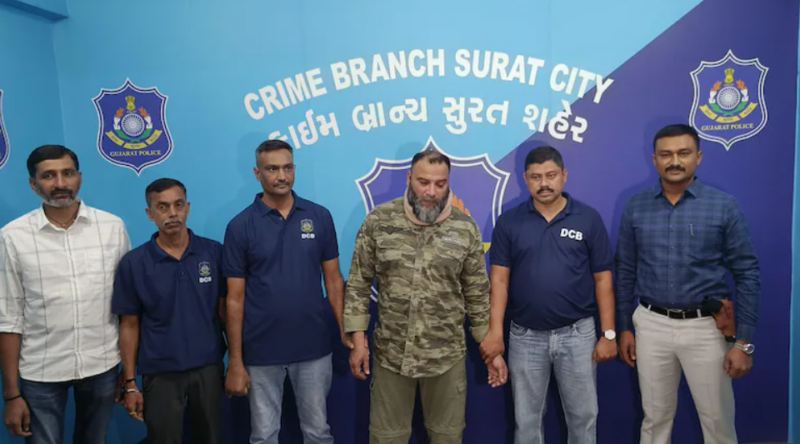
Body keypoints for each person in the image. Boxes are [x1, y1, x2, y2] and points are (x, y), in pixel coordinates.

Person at [345, 150, 508, 444]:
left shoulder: (464, 228)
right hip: (391, 356)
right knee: (386, 439)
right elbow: (358, 283)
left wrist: (491, 352)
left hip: (446, 358)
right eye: (423, 182)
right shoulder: (379, 221)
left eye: (440, 184)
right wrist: (358, 339)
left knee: (448, 438)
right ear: (409, 178)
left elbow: (476, 294)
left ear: (448, 183)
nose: (431, 192)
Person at [615, 124, 761, 444]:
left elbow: (747, 273)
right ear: (654, 159)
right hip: (651, 325)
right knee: (654, 419)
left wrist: (743, 343)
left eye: (683, 153)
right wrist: (624, 327)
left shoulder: (723, 205)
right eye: (666, 154)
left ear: (699, 157)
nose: (674, 161)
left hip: (706, 328)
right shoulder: (636, 206)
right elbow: (625, 271)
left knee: (717, 421)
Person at [481, 146, 617, 444]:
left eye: (551, 175)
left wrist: (608, 333)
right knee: (526, 422)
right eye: (536, 177)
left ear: (564, 175)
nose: (544, 183)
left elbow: (603, 278)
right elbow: (499, 280)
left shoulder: (588, 218)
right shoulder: (509, 221)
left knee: (583, 418)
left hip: (578, 334)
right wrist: (495, 332)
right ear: (525, 179)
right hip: (525, 336)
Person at [0, 145, 130, 444]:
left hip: (102, 364)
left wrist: (129, 370)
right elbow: (8, 317)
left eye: (67, 173)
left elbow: (126, 306)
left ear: (79, 178)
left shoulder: (112, 228)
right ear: (33, 184)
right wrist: (11, 394)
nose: (60, 183)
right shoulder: (12, 237)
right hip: (40, 370)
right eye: (48, 176)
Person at [222, 140, 346, 444]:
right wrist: (235, 360)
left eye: (287, 167)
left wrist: (346, 330)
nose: (282, 176)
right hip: (261, 351)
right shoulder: (240, 226)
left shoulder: (319, 216)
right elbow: (234, 299)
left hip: (314, 348)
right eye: (272, 169)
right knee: (264, 436)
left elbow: (333, 281)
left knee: (318, 433)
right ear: (257, 173)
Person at [112, 178, 226, 444]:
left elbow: (226, 312)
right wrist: (130, 382)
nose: (172, 213)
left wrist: (237, 363)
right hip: (160, 372)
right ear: (150, 214)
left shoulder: (214, 253)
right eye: (162, 207)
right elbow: (129, 325)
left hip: (208, 368)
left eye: (178, 205)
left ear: (188, 208)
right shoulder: (134, 263)